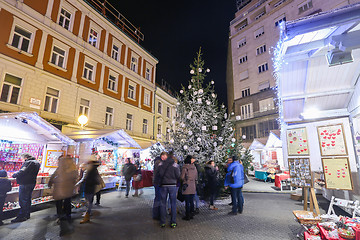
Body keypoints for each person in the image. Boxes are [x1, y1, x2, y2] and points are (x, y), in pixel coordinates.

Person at [11, 153, 40, 223]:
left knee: (23, 200)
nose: (22, 160)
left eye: (22, 159)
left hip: (25, 183)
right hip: (31, 182)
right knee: (27, 199)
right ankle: (27, 215)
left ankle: (21, 216)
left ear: (25, 158)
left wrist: (14, 175)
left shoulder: (28, 162)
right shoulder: (36, 162)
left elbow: (22, 171)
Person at [48, 156, 78, 222]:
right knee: (66, 201)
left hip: (60, 188)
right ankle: (67, 215)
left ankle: (61, 215)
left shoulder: (62, 168)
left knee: (59, 202)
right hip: (67, 188)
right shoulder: (73, 168)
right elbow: (75, 178)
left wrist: (51, 182)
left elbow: (54, 175)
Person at [155, 153, 180, 228]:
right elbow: (178, 175)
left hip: (163, 185)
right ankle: (173, 222)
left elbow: (158, 174)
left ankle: (162, 222)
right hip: (172, 185)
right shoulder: (175, 165)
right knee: (173, 204)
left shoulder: (161, 164)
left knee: (163, 203)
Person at [75, 155, 102, 224]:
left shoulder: (90, 170)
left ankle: (87, 216)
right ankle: (87, 215)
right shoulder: (94, 169)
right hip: (91, 187)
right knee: (89, 201)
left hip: (89, 187)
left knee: (88, 202)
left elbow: (84, 179)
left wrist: (77, 184)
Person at [181, 155, 198, 221]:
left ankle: (187, 215)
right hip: (193, 185)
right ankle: (191, 214)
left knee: (187, 202)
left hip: (187, 186)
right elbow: (196, 177)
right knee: (191, 201)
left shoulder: (185, 167)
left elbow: (182, 177)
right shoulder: (194, 167)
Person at [152, 152, 168, 220]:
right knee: (158, 198)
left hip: (158, 182)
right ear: (163, 156)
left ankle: (158, 213)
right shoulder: (159, 162)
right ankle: (157, 214)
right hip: (158, 182)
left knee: (158, 198)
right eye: (166, 157)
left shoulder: (158, 162)